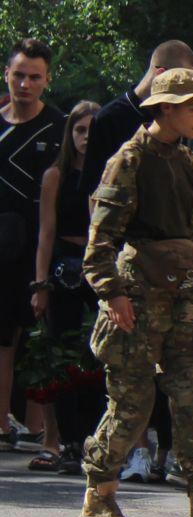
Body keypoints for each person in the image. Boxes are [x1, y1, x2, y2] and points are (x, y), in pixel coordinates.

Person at [74, 68, 193, 517]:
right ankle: (99, 496)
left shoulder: (187, 160)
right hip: (138, 295)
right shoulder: (129, 160)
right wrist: (112, 293)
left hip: (183, 295)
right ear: (165, 109)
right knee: (131, 403)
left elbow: (189, 234)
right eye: (192, 107)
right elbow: (100, 240)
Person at [28, 99, 100, 470]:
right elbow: (46, 233)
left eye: (92, 130)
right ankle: (65, 442)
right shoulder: (55, 175)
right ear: (69, 133)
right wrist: (40, 284)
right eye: (79, 130)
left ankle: (94, 440)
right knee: (62, 357)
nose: (86, 137)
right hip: (63, 268)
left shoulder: (110, 171)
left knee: (98, 357)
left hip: (100, 267)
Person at [1, 41, 64, 455]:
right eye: (19, 75)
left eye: (34, 77)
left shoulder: (59, 127)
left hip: (44, 246)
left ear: (47, 80)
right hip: (2, 246)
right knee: (2, 338)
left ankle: (42, 429)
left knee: (42, 337)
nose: (25, 84)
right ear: (7, 74)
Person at [81, 40, 193, 201]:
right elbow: (94, 191)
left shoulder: (180, 119)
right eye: (184, 83)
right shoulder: (109, 120)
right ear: (161, 75)